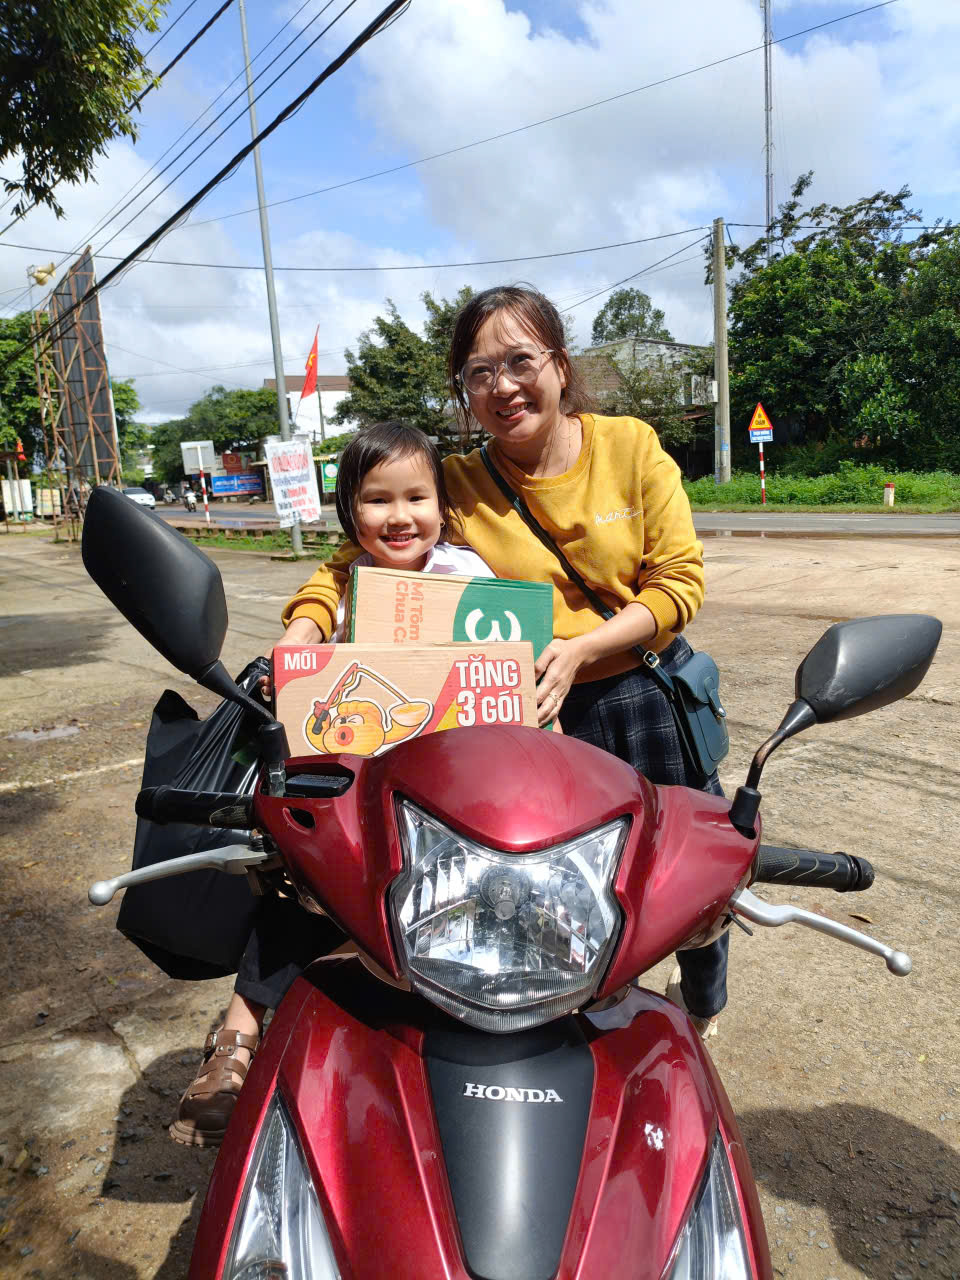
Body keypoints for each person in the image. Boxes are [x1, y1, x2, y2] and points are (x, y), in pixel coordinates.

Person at [281, 284, 728, 1033]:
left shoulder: (630, 446)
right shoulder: (456, 483)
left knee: (688, 886)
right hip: (532, 712)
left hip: (641, 694)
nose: (503, 387)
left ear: (560, 364)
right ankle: (590, 1023)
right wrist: (306, 626)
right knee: (567, 889)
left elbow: (679, 584)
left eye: (520, 361)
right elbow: (347, 565)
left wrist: (583, 648)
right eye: (479, 373)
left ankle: (704, 1005)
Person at [170, 422, 494, 1147]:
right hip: (357, 791)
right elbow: (310, 654)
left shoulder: (472, 577)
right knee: (298, 891)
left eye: (416, 497)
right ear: (349, 510)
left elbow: (509, 668)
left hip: (453, 794)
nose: (400, 516)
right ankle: (237, 1037)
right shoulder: (343, 585)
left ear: (442, 504)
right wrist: (297, 652)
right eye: (377, 500)